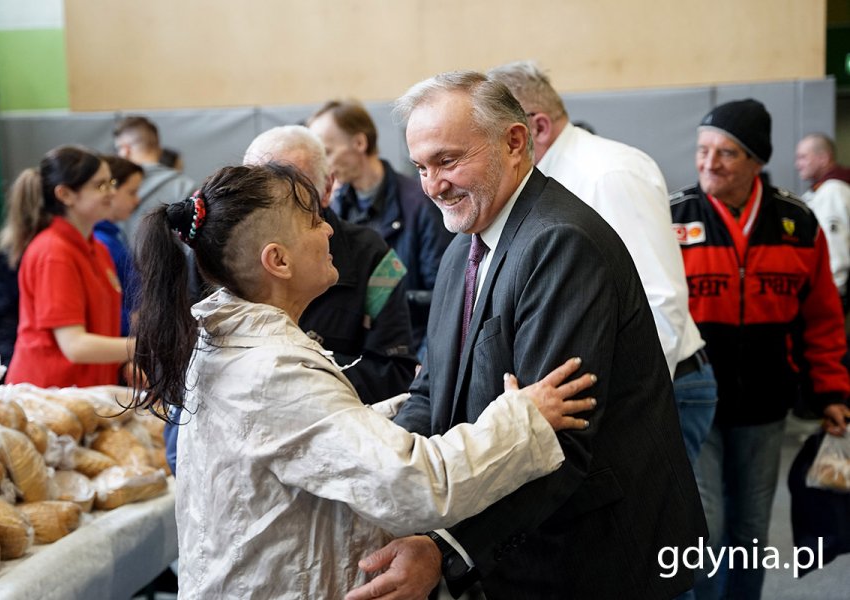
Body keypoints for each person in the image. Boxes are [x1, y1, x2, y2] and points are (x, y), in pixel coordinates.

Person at [128, 162, 597, 598]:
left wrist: (424, 404)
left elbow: (313, 437)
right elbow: (413, 485)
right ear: (278, 260)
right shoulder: (270, 370)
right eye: (313, 221)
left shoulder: (234, 346)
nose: (329, 228)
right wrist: (522, 422)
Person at [348, 71, 706, 600]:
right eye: (421, 167)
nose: (432, 185)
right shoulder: (461, 247)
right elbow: (433, 389)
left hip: (590, 562)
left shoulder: (561, 242)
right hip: (517, 556)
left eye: (447, 161)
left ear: (515, 142)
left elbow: (557, 441)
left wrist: (444, 549)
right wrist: (397, 479)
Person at [488, 59, 716, 468]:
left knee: (672, 529)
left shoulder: (608, 173)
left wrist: (626, 407)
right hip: (622, 386)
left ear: (536, 129)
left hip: (662, 387)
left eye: (498, 138)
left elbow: (660, 300)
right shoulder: (557, 179)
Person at [670, 98, 850, 599]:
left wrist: (832, 390)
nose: (709, 163)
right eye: (703, 150)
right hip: (693, 402)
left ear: (757, 161)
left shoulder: (798, 223)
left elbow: (822, 319)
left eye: (726, 153)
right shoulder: (672, 218)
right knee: (705, 523)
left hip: (766, 405)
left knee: (749, 529)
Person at [243, 125, 417, 403]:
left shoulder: (375, 256)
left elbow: (395, 371)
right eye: (256, 191)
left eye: (290, 194)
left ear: (326, 189)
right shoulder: (223, 250)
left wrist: (296, 377)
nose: (270, 207)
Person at [308, 100, 454, 355]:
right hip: (357, 349)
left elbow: (444, 297)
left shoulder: (419, 203)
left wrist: (385, 299)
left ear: (360, 143)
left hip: (411, 347)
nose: (324, 166)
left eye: (327, 152)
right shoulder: (335, 206)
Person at [0, 145, 134, 387]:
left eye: (111, 183)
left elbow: (99, 331)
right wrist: (144, 348)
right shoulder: (54, 252)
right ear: (65, 195)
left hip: (85, 391)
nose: (111, 192)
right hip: (48, 395)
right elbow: (75, 346)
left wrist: (125, 365)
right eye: (99, 185)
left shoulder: (97, 249)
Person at [112, 115, 196, 244]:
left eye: (118, 149)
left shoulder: (114, 188)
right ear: (157, 146)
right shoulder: (186, 186)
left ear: (125, 150)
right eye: (131, 193)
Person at [794, 133, 850, 306]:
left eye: (803, 157)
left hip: (830, 293)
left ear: (823, 158)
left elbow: (836, 247)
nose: (797, 165)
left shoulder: (832, 191)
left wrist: (832, 293)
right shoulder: (821, 190)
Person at [93, 155, 143, 336]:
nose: (137, 200)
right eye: (132, 192)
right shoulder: (101, 243)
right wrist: (134, 323)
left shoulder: (113, 237)